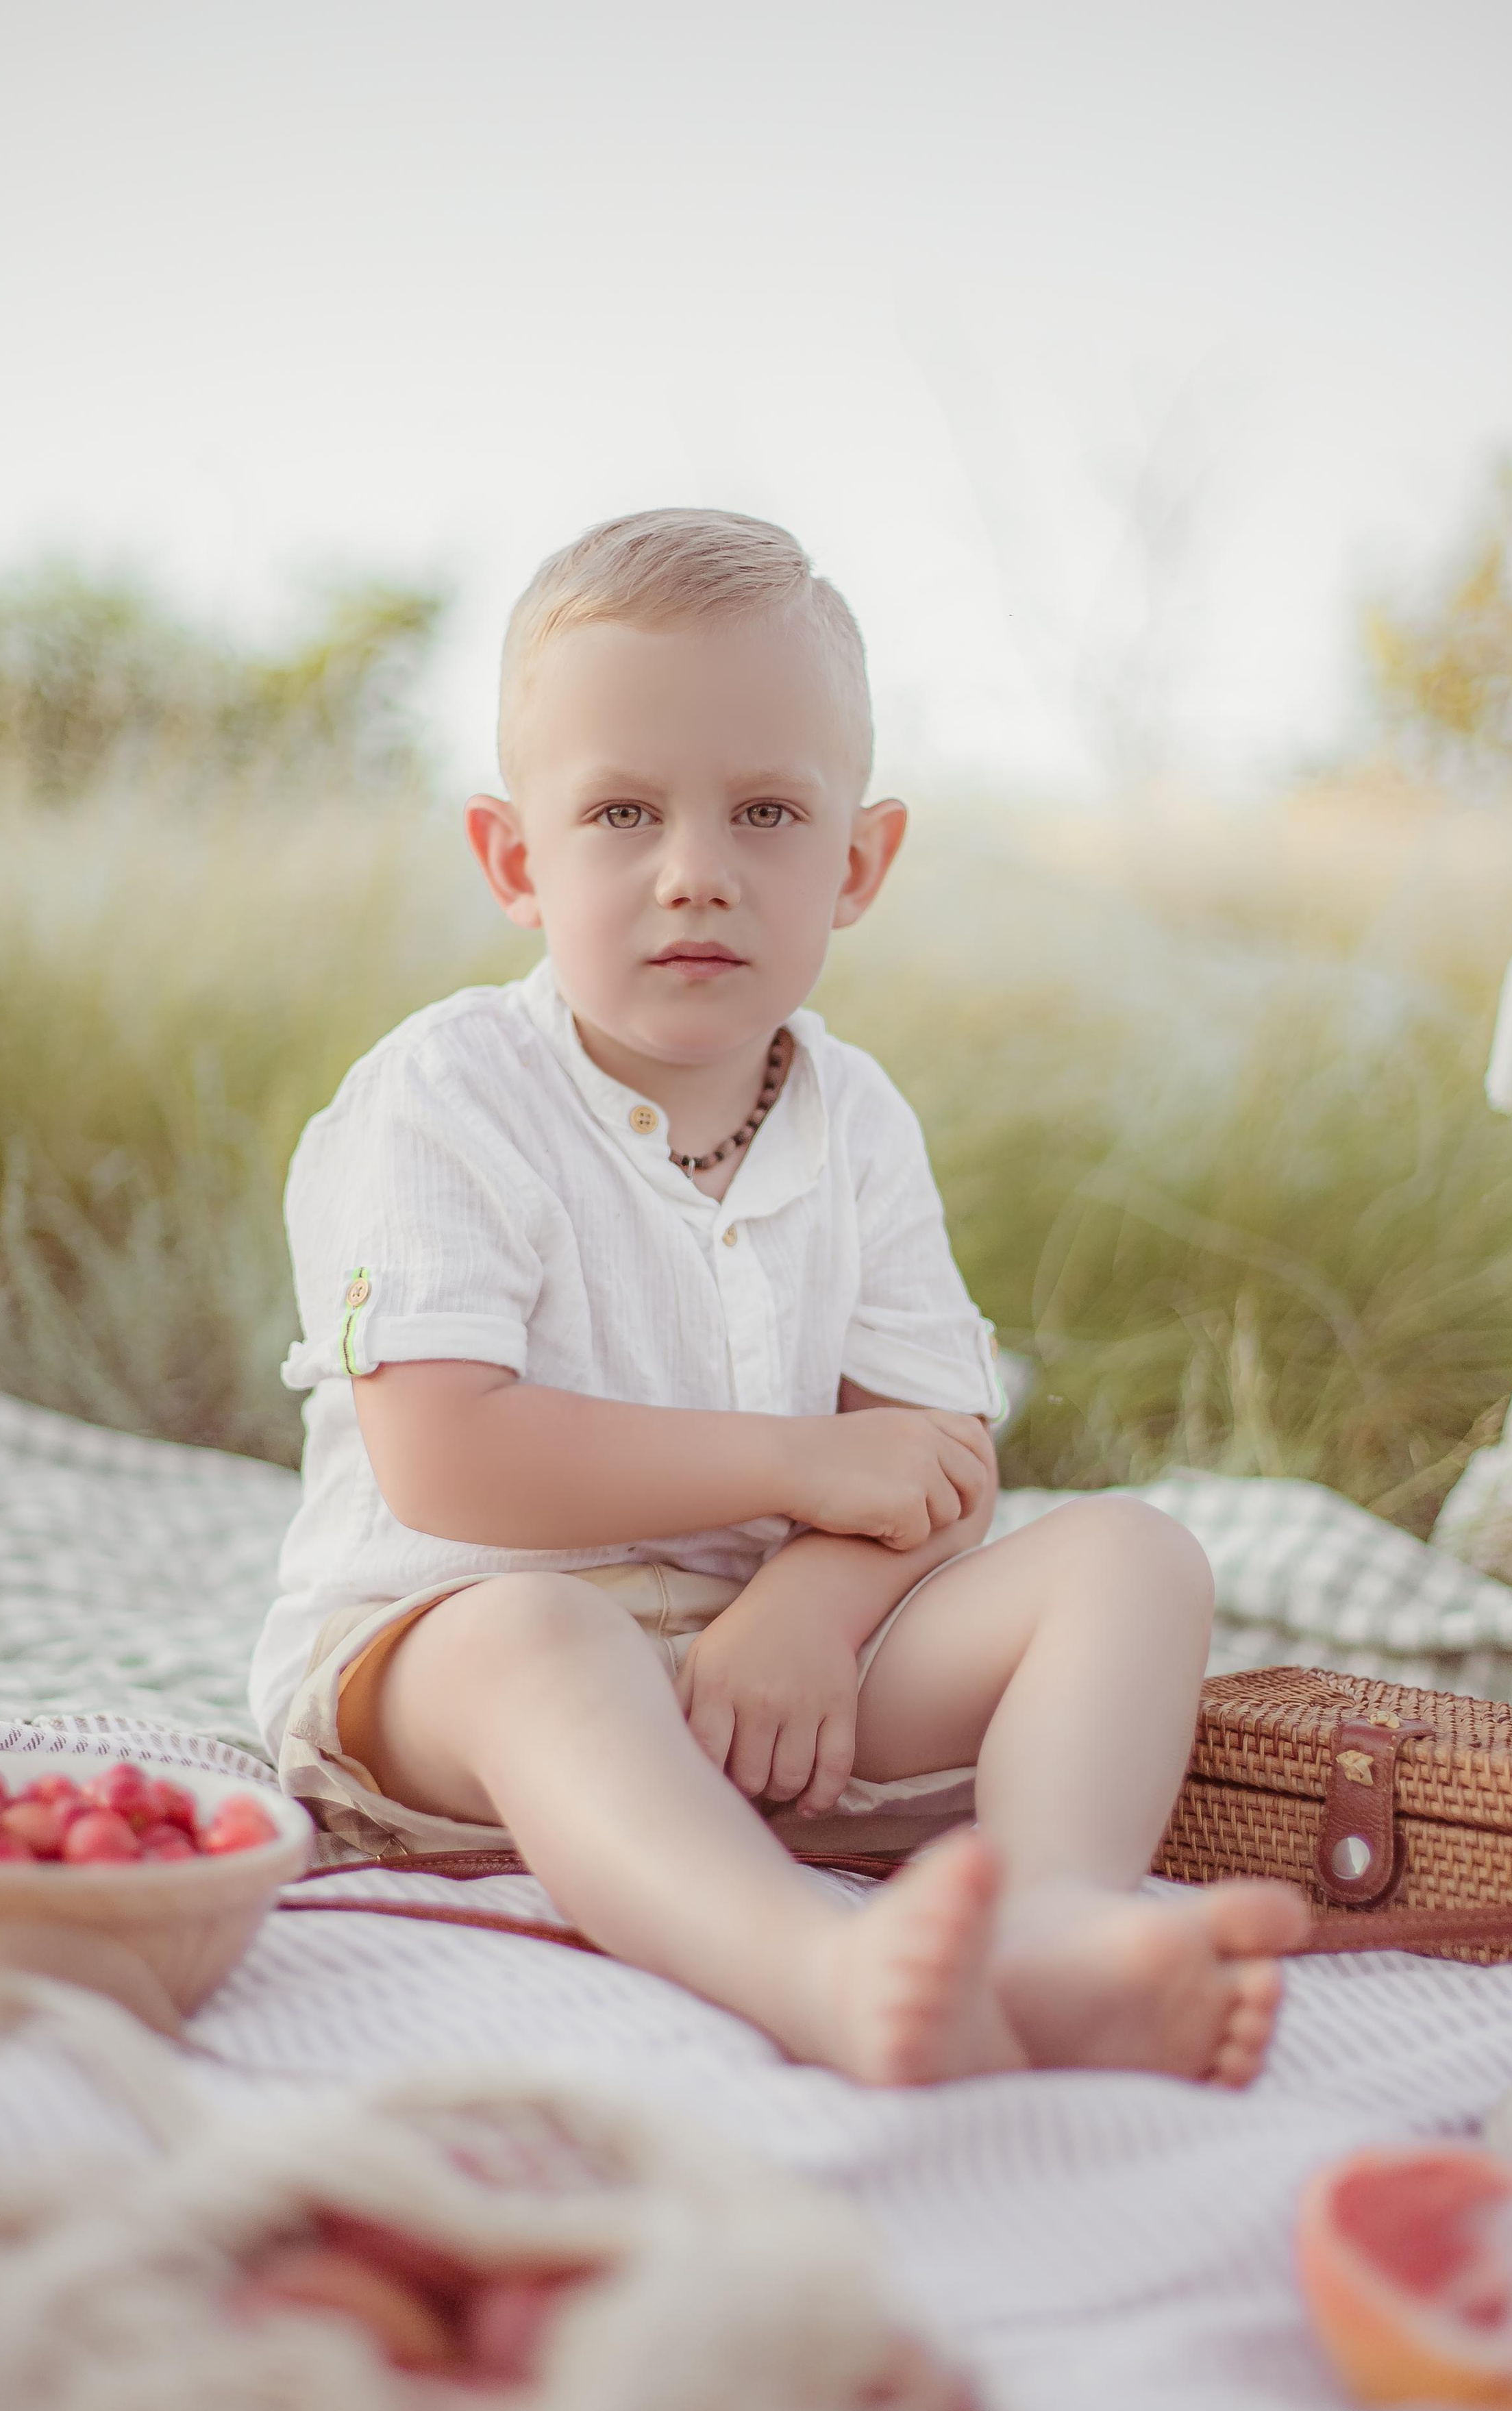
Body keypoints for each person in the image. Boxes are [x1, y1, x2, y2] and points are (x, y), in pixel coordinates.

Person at [249, 508, 1308, 2088]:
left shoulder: (855, 1118)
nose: (695, 876)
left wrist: (811, 1605)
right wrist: (792, 1469)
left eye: (762, 812)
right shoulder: (441, 1097)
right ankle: (811, 1971)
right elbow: (447, 1456)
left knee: (1130, 1557)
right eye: (619, 812)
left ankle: (1047, 1929)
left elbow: (932, 1451)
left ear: (857, 861)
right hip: (450, 1664)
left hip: (773, 1683)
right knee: (541, 1641)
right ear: (513, 860)